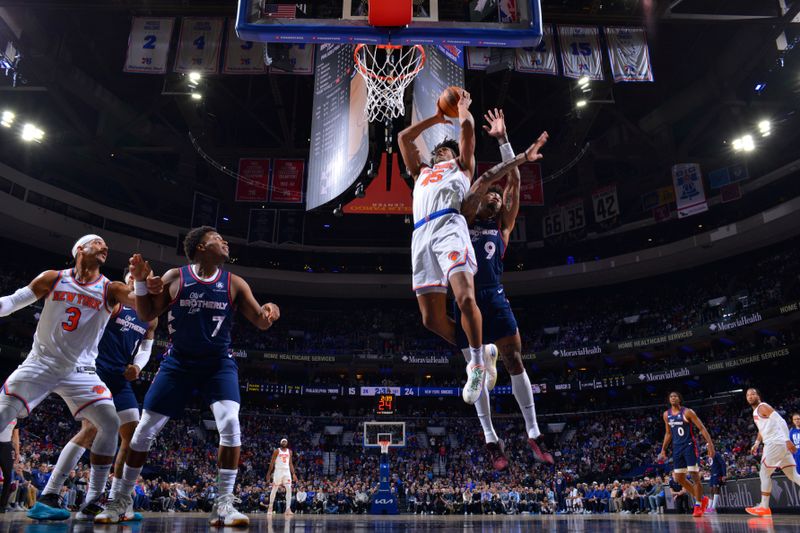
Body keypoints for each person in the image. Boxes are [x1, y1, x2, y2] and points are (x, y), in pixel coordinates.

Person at [96, 227, 280, 526]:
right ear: (201, 247)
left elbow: (261, 322)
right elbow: (145, 315)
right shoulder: (176, 277)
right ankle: (121, 500)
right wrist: (141, 283)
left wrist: (273, 311)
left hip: (218, 364)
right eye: (218, 239)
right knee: (143, 431)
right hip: (178, 363)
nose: (225, 241)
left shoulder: (234, 283)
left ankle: (223, 504)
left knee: (231, 422)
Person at [0, 234, 136, 521]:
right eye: (97, 243)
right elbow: (14, 301)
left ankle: (94, 498)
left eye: (105, 246)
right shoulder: (53, 278)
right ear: (80, 249)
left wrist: (145, 284)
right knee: (2, 414)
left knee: (110, 424)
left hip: (81, 371)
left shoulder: (110, 288)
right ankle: (52, 496)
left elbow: (140, 304)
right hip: (41, 363)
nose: (105, 247)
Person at [457, 108, 551, 470]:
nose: (495, 198)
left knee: (514, 360)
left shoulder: (503, 228)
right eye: (490, 196)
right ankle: (491, 440)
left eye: (498, 198)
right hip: (464, 301)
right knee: (475, 374)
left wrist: (503, 140)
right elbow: (482, 185)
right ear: (479, 201)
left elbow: (512, 181)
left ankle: (533, 432)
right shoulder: (463, 220)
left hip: (494, 298)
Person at [32, 271, 157, 522]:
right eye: (132, 276)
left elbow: (146, 345)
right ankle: (55, 492)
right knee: (91, 431)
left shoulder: (150, 315)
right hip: (95, 371)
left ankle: (117, 498)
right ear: (126, 279)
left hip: (121, 379)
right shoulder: (117, 302)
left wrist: (138, 367)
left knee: (132, 436)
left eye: (143, 277)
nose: (136, 280)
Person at [657, 391, 715, 517]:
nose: (673, 398)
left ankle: (698, 505)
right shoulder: (666, 414)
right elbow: (668, 433)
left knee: (694, 476)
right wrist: (663, 449)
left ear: (679, 399)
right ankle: (702, 498)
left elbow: (701, 428)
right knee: (678, 478)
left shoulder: (687, 412)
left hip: (689, 446)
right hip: (677, 448)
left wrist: (710, 444)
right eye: (671, 396)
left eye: (675, 396)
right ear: (668, 399)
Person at [744, 388, 800, 517]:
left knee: (764, 472)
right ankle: (764, 506)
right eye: (748, 395)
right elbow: (761, 430)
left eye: (753, 394)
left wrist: (787, 440)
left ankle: (764, 507)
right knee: (793, 476)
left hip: (775, 443)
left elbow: (781, 421)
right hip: (779, 445)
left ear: (758, 396)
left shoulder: (762, 406)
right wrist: (757, 443)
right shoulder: (756, 412)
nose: (750, 396)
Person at [266, 438, 297, 516]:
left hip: (287, 471)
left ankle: (288, 509)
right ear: (280, 443)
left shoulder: (290, 451)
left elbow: (290, 464)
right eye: (283, 441)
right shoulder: (277, 451)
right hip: (278, 471)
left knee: (289, 489)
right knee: (275, 488)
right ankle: (270, 506)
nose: (284, 442)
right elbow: (272, 463)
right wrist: (268, 474)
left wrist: (293, 474)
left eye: (285, 441)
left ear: (287, 443)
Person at [0, 419, 19, 512]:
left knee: (8, 477)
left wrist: (17, 452)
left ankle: (2, 505)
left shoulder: (16, 418)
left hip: (7, 447)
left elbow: (15, 437)